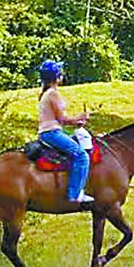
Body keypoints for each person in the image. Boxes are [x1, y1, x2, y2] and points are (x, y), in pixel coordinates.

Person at [37, 60, 95, 205]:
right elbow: (62, 119)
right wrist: (79, 118)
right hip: (52, 133)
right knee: (81, 156)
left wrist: (76, 121)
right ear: (57, 77)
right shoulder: (53, 94)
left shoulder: (46, 94)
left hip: (49, 131)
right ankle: (75, 194)